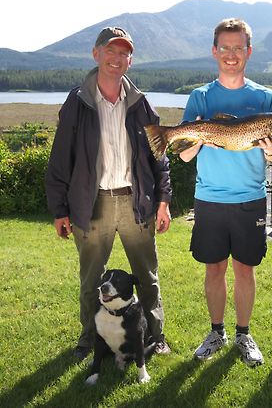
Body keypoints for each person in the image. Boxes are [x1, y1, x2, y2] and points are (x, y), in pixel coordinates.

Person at [45, 27, 172, 361]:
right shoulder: (78, 102)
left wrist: (163, 200)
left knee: (146, 278)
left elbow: (159, 157)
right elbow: (60, 161)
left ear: (130, 59)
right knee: (91, 281)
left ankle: (155, 337)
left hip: (136, 202)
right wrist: (60, 210)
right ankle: (88, 340)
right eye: (110, 51)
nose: (117, 59)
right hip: (92, 204)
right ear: (96, 53)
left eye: (124, 53)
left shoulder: (141, 104)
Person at [179, 18, 272, 367]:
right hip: (209, 198)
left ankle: (244, 334)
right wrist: (200, 137)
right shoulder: (200, 97)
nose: (231, 54)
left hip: (250, 199)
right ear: (214, 51)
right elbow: (183, 153)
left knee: (244, 269)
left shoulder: (264, 97)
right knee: (213, 269)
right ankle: (215, 332)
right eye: (225, 47)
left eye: (238, 48)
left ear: (248, 52)